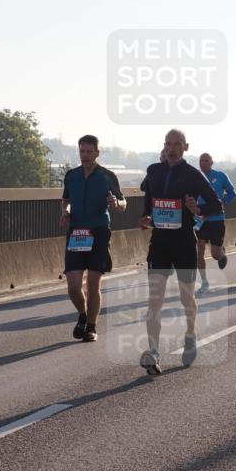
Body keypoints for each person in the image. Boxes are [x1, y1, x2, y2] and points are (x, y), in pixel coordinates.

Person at [138, 129, 222, 375]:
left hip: (184, 242)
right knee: (155, 299)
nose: (172, 148)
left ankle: (191, 333)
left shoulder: (193, 175)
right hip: (159, 243)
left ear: (186, 147)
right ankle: (153, 352)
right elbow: (148, 203)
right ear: (164, 146)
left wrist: (198, 210)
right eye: (168, 144)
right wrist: (146, 217)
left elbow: (216, 204)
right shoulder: (154, 171)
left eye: (177, 144)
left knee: (187, 298)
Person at [60, 135, 126, 343]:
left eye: (89, 152)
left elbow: (123, 202)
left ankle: (91, 326)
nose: (85, 155)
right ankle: (82, 314)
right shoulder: (71, 176)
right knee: (73, 286)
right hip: (77, 232)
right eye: (82, 151)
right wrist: (66, 212)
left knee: (93, 283)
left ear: (97, 153)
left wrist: (116, 204)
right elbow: (66, 199)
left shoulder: (107, 176)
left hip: (99, 231)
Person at [195, 152, 236, 293]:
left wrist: (224, 202)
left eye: (206, 161)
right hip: (200, 219)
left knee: (215, 254)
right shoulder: (194, 177)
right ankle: (204, 283)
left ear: (211, 163)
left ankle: (221, 254)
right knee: (199, 251)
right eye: (201, 160)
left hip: (216, 219)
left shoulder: (220, 176)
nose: (203, 163)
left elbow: (232, 192)